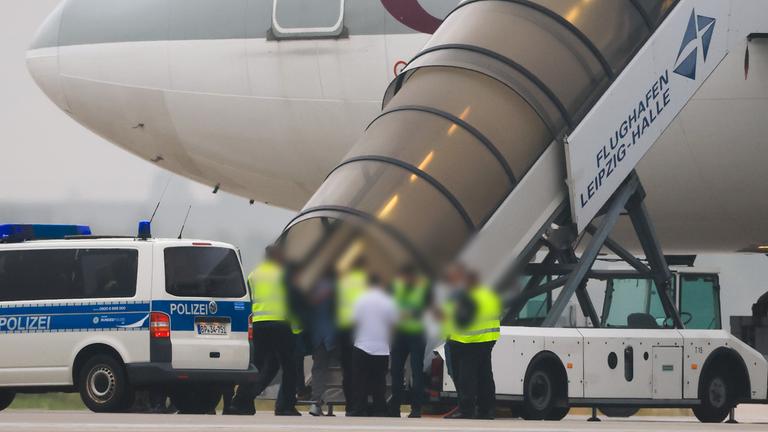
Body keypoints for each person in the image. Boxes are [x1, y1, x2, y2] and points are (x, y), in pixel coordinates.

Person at [228, 245, 300, 416]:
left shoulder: (254, 275)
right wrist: (297, 329)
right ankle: (285, 406)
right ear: (277, 257)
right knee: (290, 366)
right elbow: (293, 302)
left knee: (259, 365)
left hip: (259, 324)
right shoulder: (284, 274)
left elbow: (250, 300)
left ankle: (241, 402)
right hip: (281, 323)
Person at [444, 268, 501, 420]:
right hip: (487, 340)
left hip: (466, 341)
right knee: (485, 376)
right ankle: (486, 410)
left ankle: (466, 410)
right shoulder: (489, 295)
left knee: (466, 378)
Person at [348, 274, 398, 417]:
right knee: (379, 381)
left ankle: (359, 408)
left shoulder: (360, 299)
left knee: (360, 379)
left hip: (362, 344)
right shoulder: (388, 301)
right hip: (382, 347)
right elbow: (393, 323)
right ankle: (379, 409)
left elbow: (354, 320)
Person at [388, 265, 431, 418]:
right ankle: (395, 408)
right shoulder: (397, 286)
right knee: (397, 371)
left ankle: (416, 409)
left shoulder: (422, 287)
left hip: (415, 333)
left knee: (415, 372)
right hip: (402, 334)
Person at [336, 257, 368, 410]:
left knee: (347, 369)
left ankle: (350, 405)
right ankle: (361, 403)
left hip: (344, 329)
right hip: (361, 329)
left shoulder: (342, 281)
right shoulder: (366, 282)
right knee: (363, 369)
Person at [308, 267, 338, 416]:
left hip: (318, 336)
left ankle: (316, 403)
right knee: (347, 370)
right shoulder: (336, 288)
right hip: (334, 335)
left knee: (319, 370)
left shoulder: (312, 289)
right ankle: (353, 403)